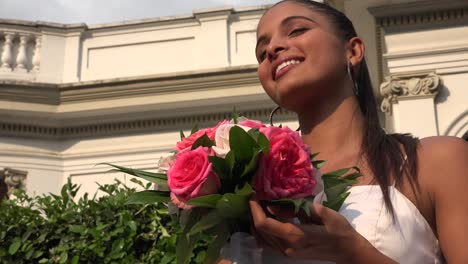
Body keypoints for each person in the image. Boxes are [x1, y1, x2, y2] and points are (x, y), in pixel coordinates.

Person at [222, 0, 468, 263]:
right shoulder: (247, 190)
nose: (272, 48)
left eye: (296, 30)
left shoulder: (437, 161)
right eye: (262, 52)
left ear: (353, 50)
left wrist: (354, 252)